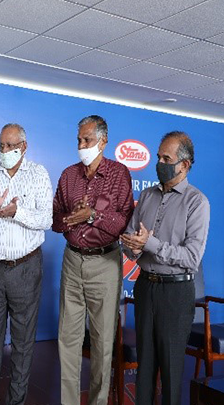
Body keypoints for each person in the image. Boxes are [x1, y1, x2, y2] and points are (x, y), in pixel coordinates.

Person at [120, 131, 210, 405]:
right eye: (158, 157)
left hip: (176, 292)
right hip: (146, 286)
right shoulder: (146, 196)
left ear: (185, 164)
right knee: (144, 365)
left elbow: (192, 257)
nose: (159, 162)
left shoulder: (197, 202)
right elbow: (129, 236)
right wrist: (133, 248)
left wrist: (151, 243)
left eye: (166, 158)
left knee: (171, 369)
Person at [0, 123, 53, 405]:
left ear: (23, 147)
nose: (4, 151)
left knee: (22, 343)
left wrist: (18, 211)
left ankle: (15, 401)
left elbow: (46, 220)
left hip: (26, 269)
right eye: (1, 146)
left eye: (10, 146)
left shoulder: (38, 174)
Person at [53, 115, 134, 405]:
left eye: (86, 140)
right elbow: (55, 222)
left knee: (102, 343)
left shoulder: (119, 174)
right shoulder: (68, 176)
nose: (81, 145)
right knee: (68, 340)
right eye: (78, 140)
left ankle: (99, 402)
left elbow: (121, 224)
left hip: (105, 264)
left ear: (103, 141)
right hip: (72, 262)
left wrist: (92, 215)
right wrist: (69, 217)